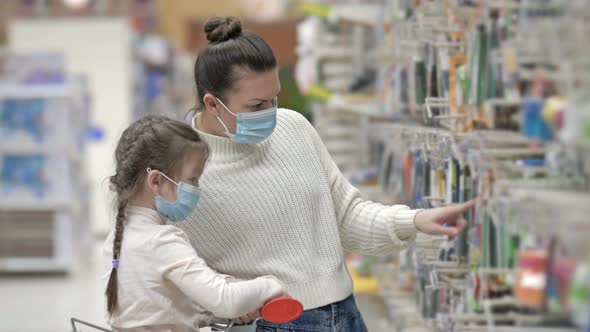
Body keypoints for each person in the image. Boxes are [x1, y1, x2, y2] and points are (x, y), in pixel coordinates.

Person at [182, 16, 475, 332]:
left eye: (274, 98)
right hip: (270, 323)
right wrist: (218, 292)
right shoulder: (182, 170)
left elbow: (346, 216)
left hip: (344, 315)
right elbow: (166, 267)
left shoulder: (293, 127)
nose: (270, 113)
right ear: (212, 104)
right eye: (256, 105)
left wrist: (415, 220)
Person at [102, 115, 287, 331]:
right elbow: (225, 300)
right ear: (156, 181)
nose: (197, 189)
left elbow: (159, 306)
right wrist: (272, 285)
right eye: (192, 179)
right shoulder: (162, 241)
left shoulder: (118, 237)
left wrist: (217, 301)